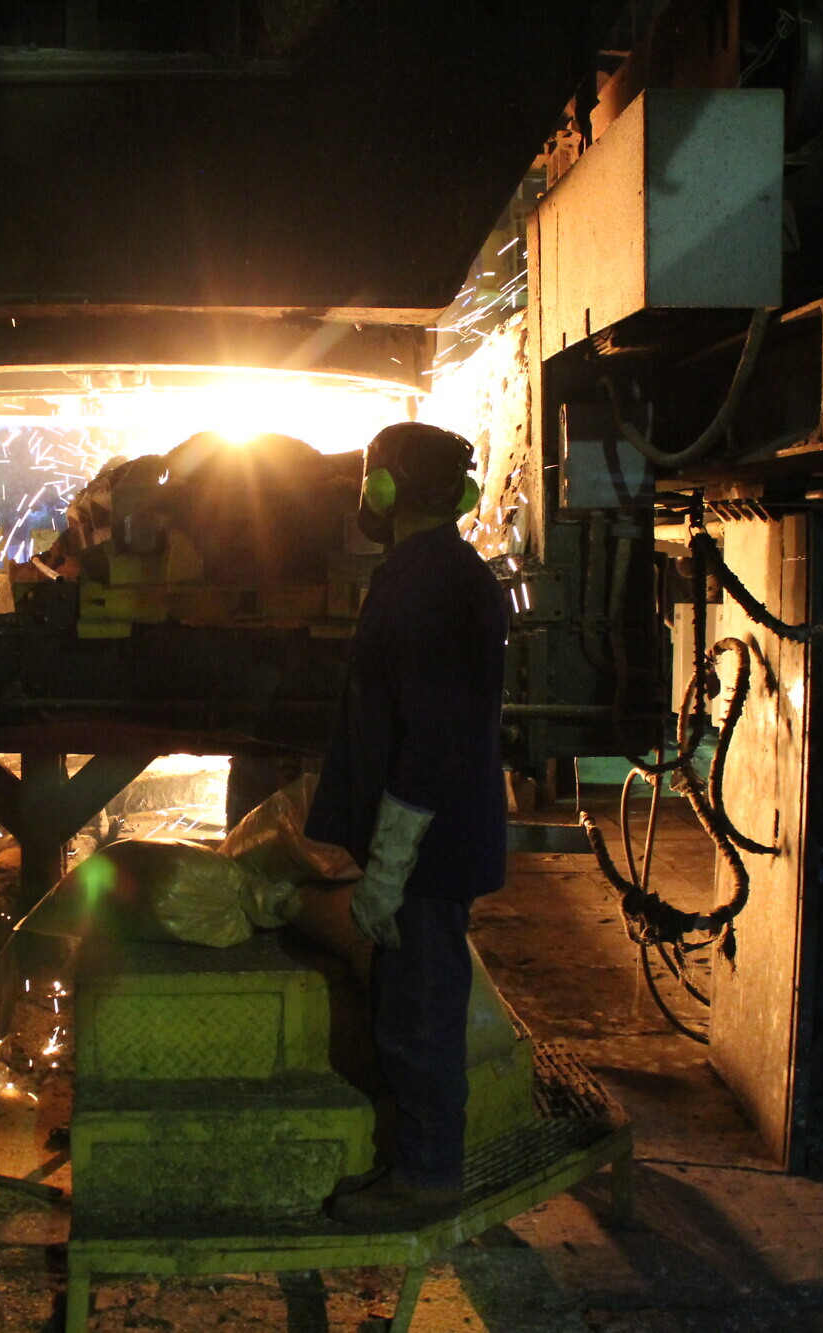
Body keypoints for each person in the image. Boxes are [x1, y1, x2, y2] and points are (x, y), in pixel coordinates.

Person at [304, 421, 509, 1231]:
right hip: (441, 839)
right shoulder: (448, 570)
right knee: (416, 1003)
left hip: (428, 849)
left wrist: (388, 869)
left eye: (371, 479)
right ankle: (420, 1163)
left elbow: (429, 742)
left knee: (418, 1017)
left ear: (384, 488)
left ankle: (427, 1178)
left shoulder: (426, 585)